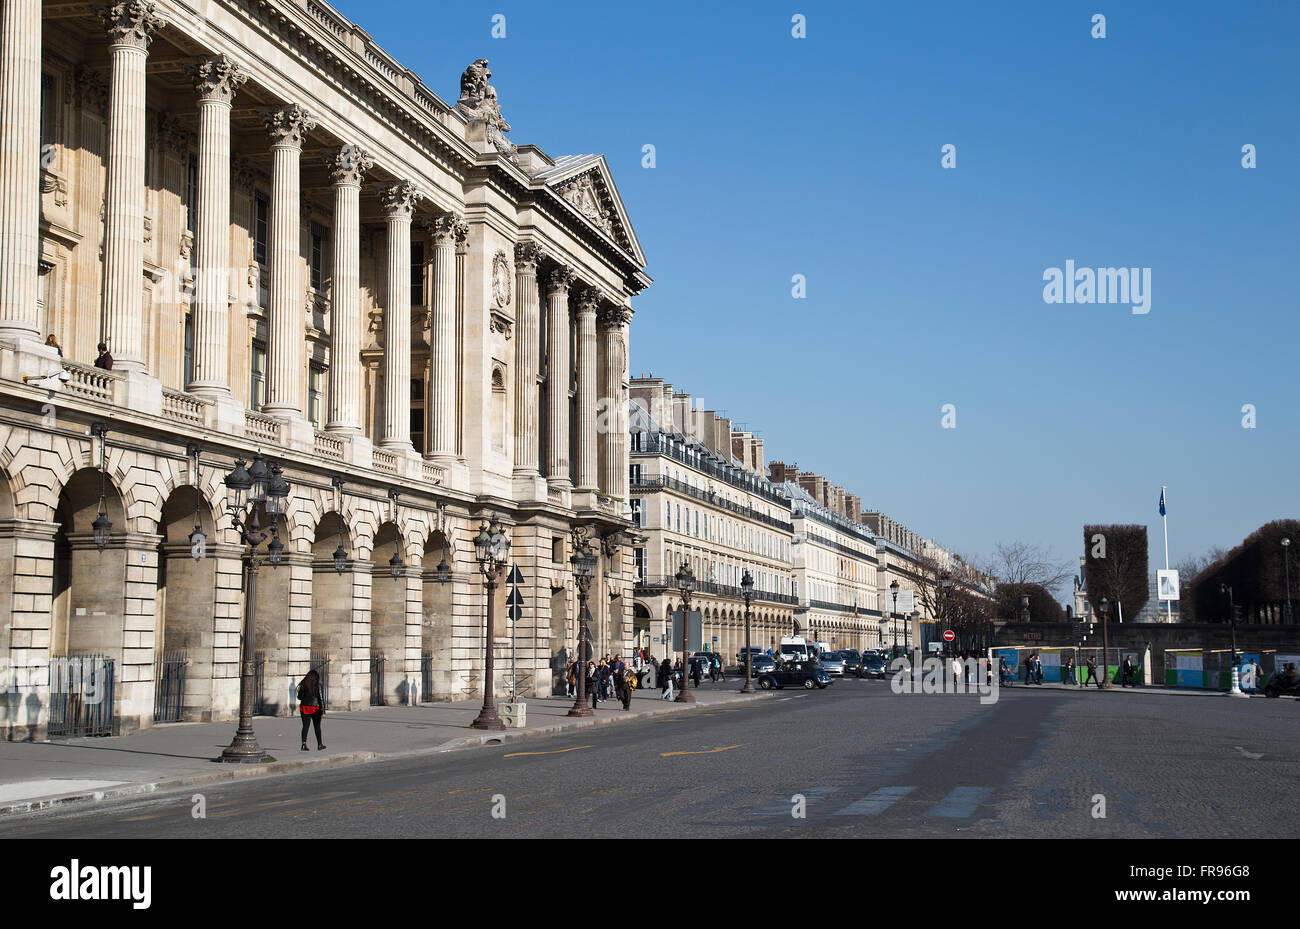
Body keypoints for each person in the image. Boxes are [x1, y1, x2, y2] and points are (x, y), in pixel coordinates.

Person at [297, 669, 325, 751]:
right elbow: (321, 699)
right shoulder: (318, 686)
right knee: (317, 727)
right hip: (315, 708)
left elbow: (299, 697)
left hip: (304, 708)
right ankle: (319, 744)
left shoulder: (304, 685)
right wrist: (323, 711)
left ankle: (303, 744)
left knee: (305, 726)